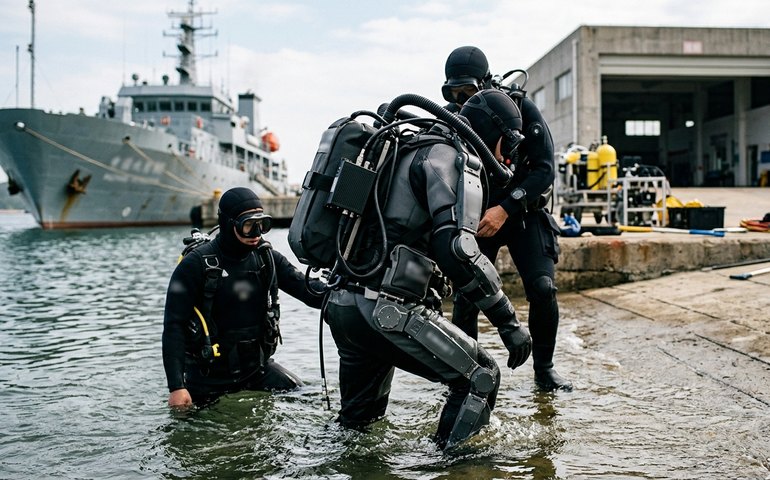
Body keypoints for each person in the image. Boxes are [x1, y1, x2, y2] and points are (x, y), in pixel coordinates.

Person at [323, 93, 532, 450]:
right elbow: (459, 250)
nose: (507, 155)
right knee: (481, 377)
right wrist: (508, 322)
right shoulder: (453, 158)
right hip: (387, 311)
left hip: (344, 303)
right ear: (491, 131)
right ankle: (456, 471)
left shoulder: (404, 148)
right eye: (509, 140)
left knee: (357, 433)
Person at [443, 46, 573, 392]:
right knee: (466, 296)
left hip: (521, 213)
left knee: (543, 288)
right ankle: (464, 373)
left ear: (484, 83)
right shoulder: (452, 118)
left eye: (466, 92)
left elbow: (545, 169)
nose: (460, 100)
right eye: (452, 93)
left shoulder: (520, 110)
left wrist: (506, 208)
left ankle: (544, 370)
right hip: (478, 218)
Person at [162, 187, 325, 408]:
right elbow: (173, 326)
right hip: (208, 377)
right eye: (249, 225)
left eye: (262, 225)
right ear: (230, 224)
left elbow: (308, 290)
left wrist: (347, 290)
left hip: (256, 370)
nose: (257, 234)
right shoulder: (196, 265)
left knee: (312, 399)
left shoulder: (266, 258)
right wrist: (177, 387)